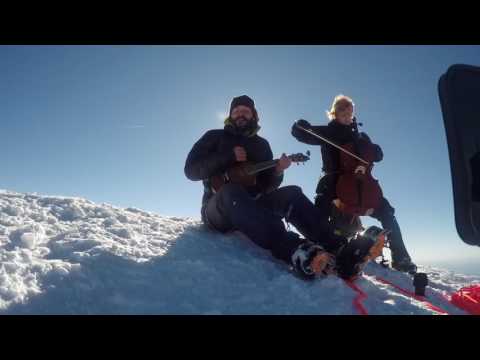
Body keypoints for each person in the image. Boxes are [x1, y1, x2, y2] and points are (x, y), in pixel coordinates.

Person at [184, 95, 370, 280]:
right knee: (232, 192)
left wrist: (278, 171)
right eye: (236, 110)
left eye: (246, 111)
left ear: (254, 115)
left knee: (292, 193)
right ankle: (296, 250)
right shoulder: (214, 137)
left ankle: (339, 247)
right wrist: (227, 156)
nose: (241, 114)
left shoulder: (261, 145)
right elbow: (191, 170)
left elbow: (266, 186)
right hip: (218, 208)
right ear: (230, 114)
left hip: (252, 208)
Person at [291, 94, 417, 273]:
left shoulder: (361, 136)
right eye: (342, 109)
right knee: (321, 206)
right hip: (335, 181)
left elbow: (377, 156)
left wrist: (376, 151)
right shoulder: (329, 132)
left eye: (350, 109)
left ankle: (401, 258)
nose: (347, 112)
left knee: (387, 212)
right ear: (334, 113)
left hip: (364, 184)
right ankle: (317, 251)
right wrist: (299, 127)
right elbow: (302, 134)